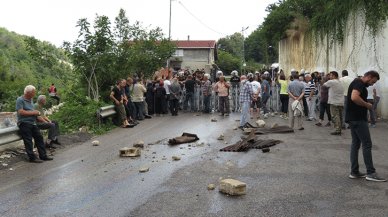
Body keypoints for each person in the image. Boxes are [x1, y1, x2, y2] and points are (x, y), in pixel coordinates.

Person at [346, 70, 385, 182]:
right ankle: (370, 172)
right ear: (369, 77)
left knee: (356, 144)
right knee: (367, 144)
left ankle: (354, 172)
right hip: (357, 119)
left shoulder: (357, 82)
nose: (372, 84)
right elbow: (354, 97)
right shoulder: (359, 83)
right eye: (373, 81)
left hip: (353, 118)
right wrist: (367, 104)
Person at [16, 85, 53, 163]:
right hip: (24, 123)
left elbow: (35, 114)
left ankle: (43, 156)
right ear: (28, 93)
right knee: (28, 141)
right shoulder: (20, 100)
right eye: (33, 92)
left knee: (39, 137)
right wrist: (34, 112)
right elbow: (20, 112)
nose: (34, 94)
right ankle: (32, 158)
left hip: (33, 123)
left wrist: (43, 120)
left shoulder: (31, 100)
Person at [323, 71, 344, 135]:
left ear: (334, 76)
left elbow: (324, 85)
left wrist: (325, 78)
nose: (329, 77)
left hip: (334, 102)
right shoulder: (340, 81)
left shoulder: (331, 82)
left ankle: (337, 129)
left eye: (331, 75)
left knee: (335, 116)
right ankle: (339, 128)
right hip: (341, 101)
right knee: (340, 116)